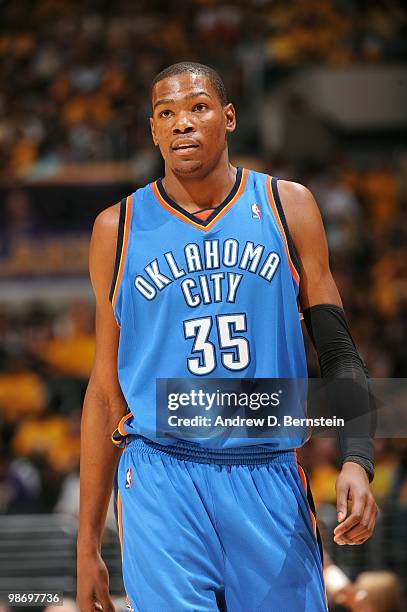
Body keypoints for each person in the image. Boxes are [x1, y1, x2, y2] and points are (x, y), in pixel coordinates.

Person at [77, 62, 378, 612]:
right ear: (152, 130)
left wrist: (357, 456)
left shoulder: (289, 206)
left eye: (197, 108)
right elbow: (103, 391)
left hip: (267, 472)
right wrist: (87, 544)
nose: (182, 124)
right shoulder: (115, 229)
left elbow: (337, 350)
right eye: (166, 114)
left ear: (230, 116)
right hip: (160, 471)